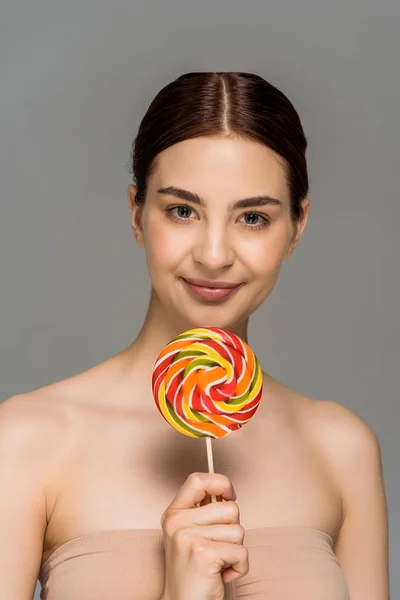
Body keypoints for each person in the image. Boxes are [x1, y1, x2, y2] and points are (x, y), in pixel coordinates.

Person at [0, 71, 389, 600]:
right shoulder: (27, 439)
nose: (213, 254)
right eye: (182, 211)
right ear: (137, 214)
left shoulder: (341, 448)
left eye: (252, 218)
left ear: (297, 226)